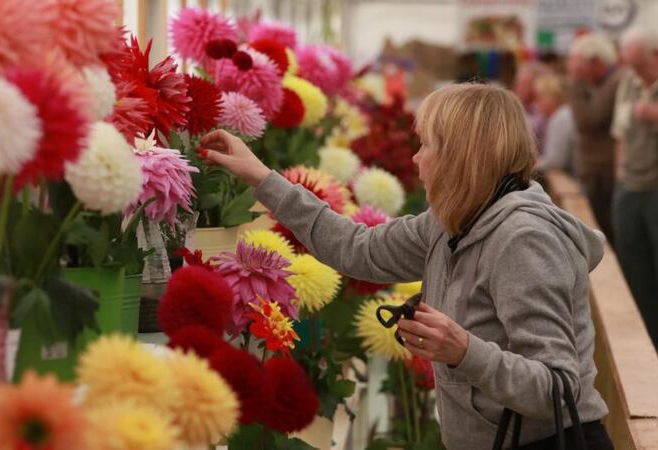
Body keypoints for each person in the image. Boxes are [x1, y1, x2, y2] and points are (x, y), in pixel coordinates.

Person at [197, 83, 613, 450]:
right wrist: (261, 176)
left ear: (460, 156)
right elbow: (355, 248)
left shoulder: (523, 240)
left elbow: (559, 388)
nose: (416, 159)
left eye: (426, 145)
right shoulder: (452, 222)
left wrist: (464, 351)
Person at [610, 26, 658, 347]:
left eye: (637, 63)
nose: (631, 68)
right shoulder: (628, 81)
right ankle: (647, 341)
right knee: (632, 267)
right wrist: (619, 175)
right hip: (630, 185)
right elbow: (619, 133)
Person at [566, 33, 620, 241]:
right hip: (597, 174)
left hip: (606, 176)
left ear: (596, 61)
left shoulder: (615, 82)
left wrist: (576, 83)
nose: (573, 68)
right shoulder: (600, 85)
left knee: (608, 235)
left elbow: (587, 121)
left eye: (578, 62)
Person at [534, 73, 576, 176]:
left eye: (539, 97)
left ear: (549, 97)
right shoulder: (564, 114)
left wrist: (533, 165)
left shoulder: (560, 119)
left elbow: (555, 161)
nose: (536, 102)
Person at [514, 61, 550, 149]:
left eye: (523, 84)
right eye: (517, 83)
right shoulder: (519, 109)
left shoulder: (544, 114)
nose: (517, 88)